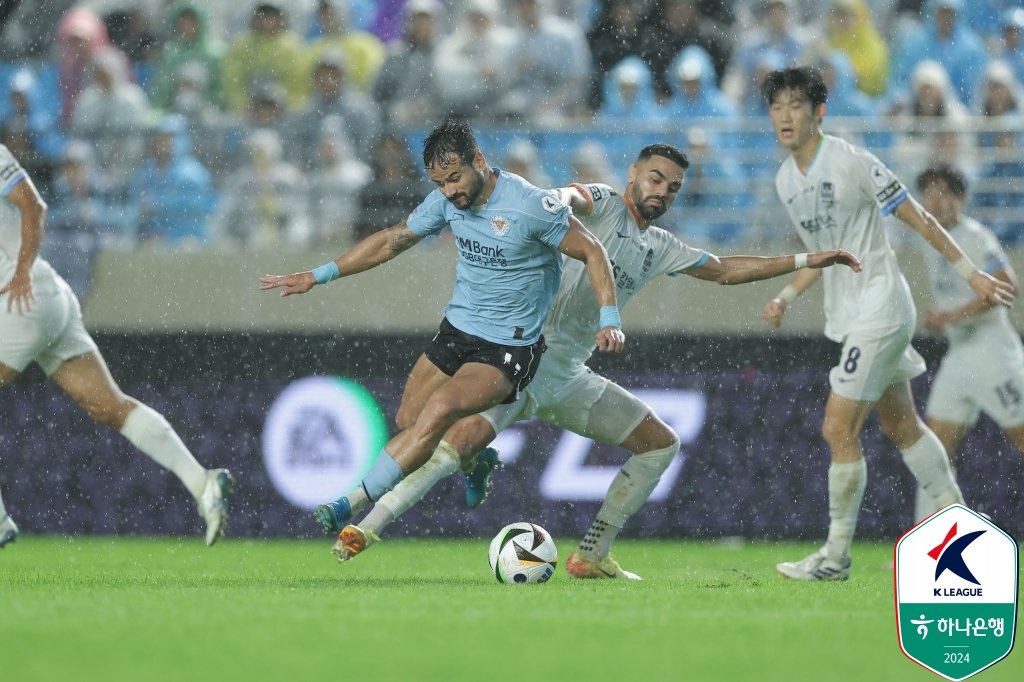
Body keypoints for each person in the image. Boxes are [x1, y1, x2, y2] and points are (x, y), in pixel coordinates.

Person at [310, 142, 861, 577]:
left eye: (672, 186)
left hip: (567, 378)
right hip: (519, 357)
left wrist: (809, 258)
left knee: (660, 444)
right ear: (632, 175)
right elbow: (565, 198)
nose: (662, 190)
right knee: (450, 443)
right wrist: (554, 202)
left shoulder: (661, 245)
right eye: (654, 178)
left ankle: (592, 552)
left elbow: (725, 269)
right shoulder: (597, 201)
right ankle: (367, 527)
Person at [259, 118, 623, 561]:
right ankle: (476, 460)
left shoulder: (530, 206)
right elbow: (392, 241)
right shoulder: (446, 203)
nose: (450, 191)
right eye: (440, 182)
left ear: (479, 161)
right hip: (456, 331)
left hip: (509, 347)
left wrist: (609, 317)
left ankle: (349, 504)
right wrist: (318, 275)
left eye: (455, 178)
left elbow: (592, 250)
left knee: (440, 409)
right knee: (409, 420)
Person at [758, 67, 1012, 581]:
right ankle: (958, 522)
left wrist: (973, 275)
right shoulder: (786, 180)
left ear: (819, 112)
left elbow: (920, 217)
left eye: (796, 105)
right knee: (902, 425)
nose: (785, 115)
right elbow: (825, 252)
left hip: (881, 307)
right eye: (777, 106)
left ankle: (833, 557)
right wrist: (786, 293)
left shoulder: (852, 161)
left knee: (837, 426)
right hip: (852, 314)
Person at [0, 143, 232, 550]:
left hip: (22, 295)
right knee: (109, 405)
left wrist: (20, 270)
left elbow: (34, 206)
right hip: (48, 295)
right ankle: (202, 482)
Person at [914, 165, 1024, 519]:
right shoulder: (929, 237)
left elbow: (1008, 286)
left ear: (961, 199)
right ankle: (928, 540)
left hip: (994, 351)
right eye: (929, 192)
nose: (935, 200)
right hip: (960, 353)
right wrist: (942, 320)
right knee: (935, 447)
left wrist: (951, 316)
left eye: (944, 192)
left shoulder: (976, 236)